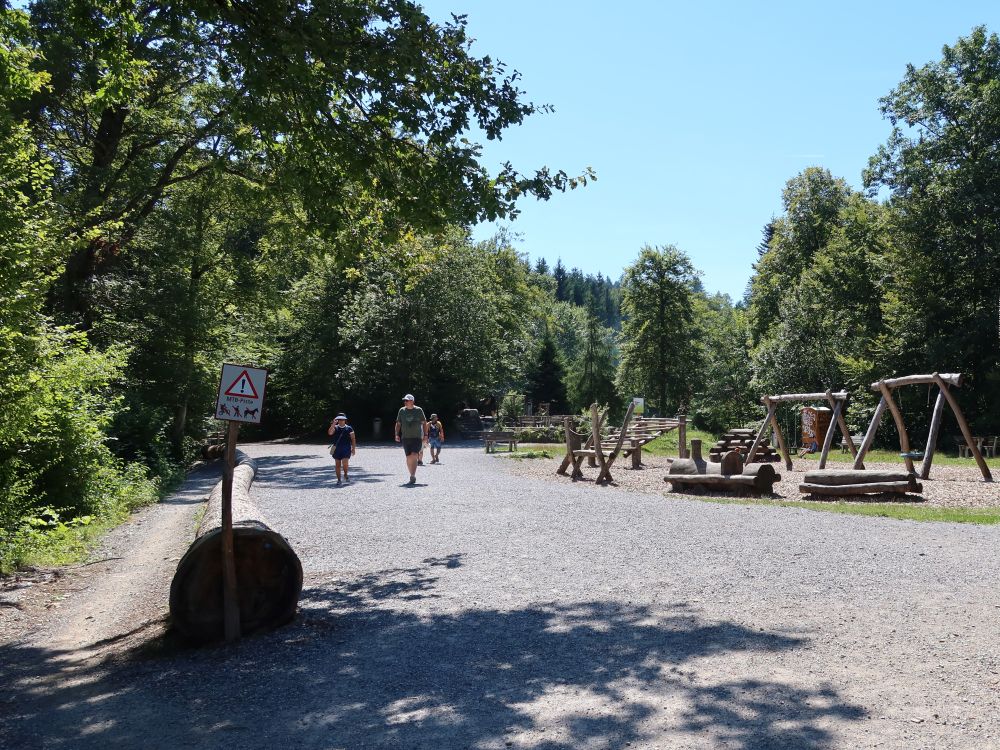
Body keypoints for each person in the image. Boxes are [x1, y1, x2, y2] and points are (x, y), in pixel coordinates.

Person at [395, 393, 428, 485]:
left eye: (406, 400)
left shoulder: (418, 410)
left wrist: (425, 435)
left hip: (417, 437)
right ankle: (411, 474)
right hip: (405, 438)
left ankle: (412, 476)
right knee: (408, 457)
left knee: (414, 455)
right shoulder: (401, 411)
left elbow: (424, 423)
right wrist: (396, 434)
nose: (405, 402)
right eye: (404, 400)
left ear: (412, 401)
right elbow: (398, 423)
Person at [327, 413, 356, 484]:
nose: (341, 421)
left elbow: (353, 439)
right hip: (336, 449)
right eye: (339, 419)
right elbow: (330, 433)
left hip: (346, 448)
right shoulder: (335, 427)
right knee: (337, 464)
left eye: (342, 419)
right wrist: (333, 424)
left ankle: (345, 474)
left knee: (345, 462)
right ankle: (339, 480)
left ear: (345, 420)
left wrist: (353, 448)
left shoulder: (349, 428)